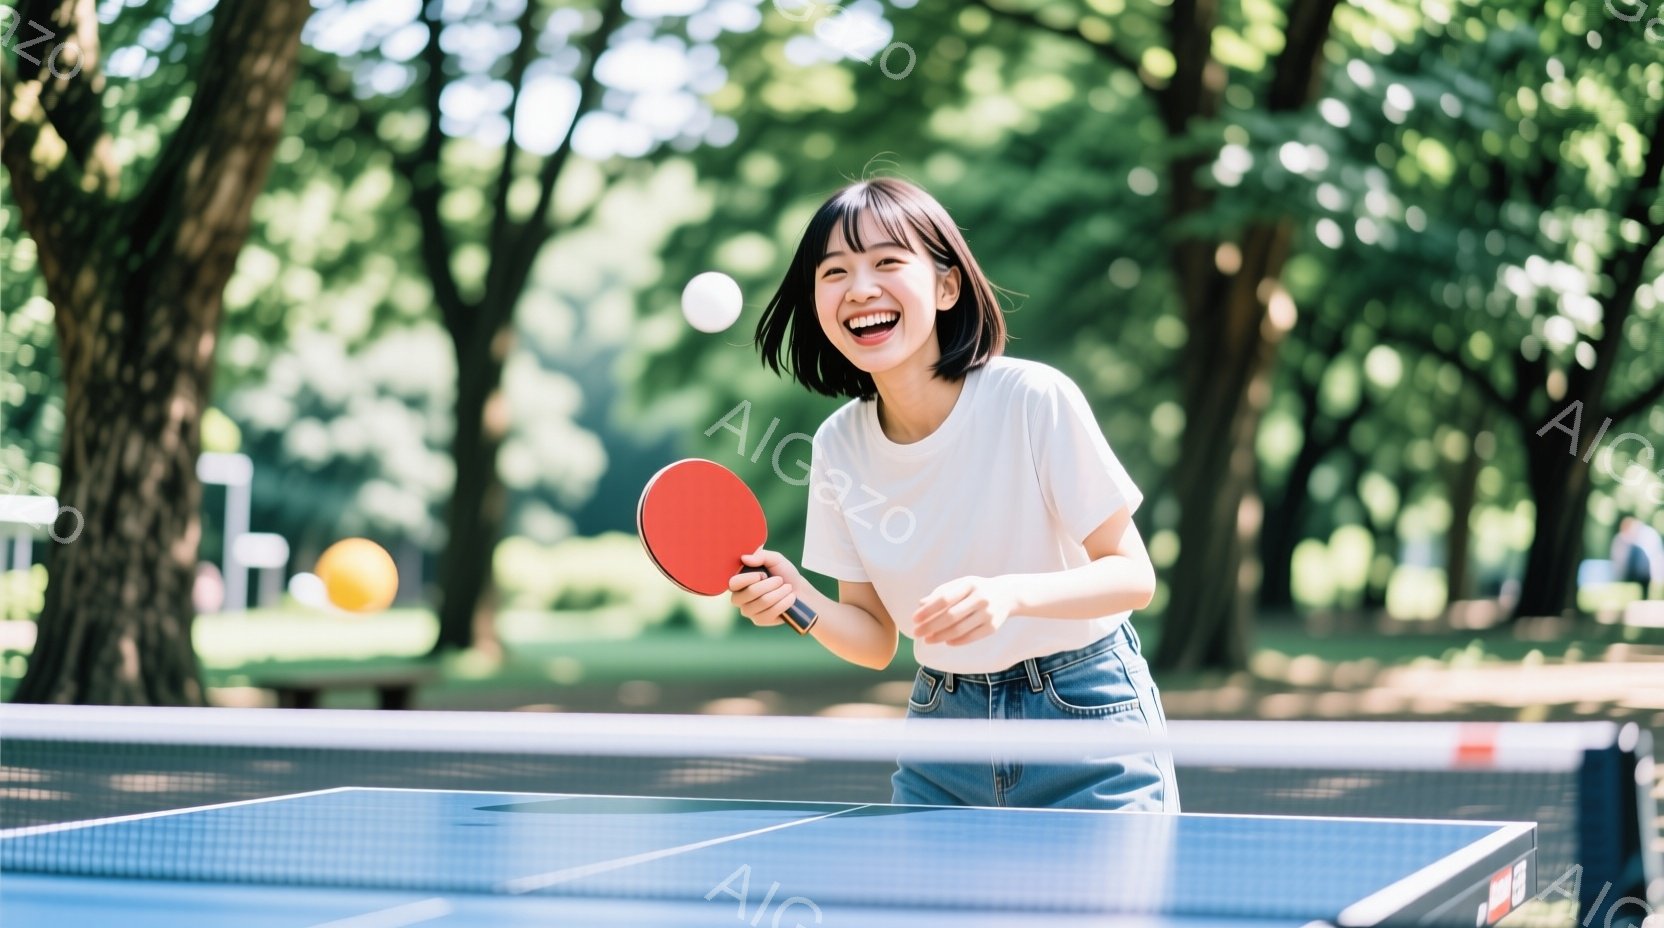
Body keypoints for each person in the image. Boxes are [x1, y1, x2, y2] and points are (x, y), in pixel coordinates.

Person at [727, 177, 1177, 812]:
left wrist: (1010, 594)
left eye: (887, 261)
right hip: (944, 728)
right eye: (835, 273)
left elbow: (1133, 576)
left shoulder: (1032, 398)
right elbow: (874, 636)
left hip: (1087, 717)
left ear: (946, 286)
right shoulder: (837, 445)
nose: (861, 289)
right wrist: (795, 601)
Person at [1610, 516, 1663, 596]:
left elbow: (1655, 555)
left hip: (1644, 573)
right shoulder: (1622, 539)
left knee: (1643, 592)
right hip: (1632, 573)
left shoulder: (1649, 535)